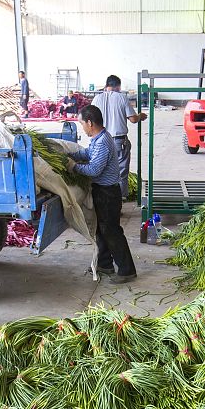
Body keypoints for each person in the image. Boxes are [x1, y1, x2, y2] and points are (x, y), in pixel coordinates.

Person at [65, 105, 136, 283]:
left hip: (108, 193)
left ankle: (127, 270)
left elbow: (95, 169)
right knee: (100, 230)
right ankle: (105, 264)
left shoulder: (103, 141)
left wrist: (74, 167)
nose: (82, 128)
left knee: (111, 231)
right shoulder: (99, 138)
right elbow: (89, 153)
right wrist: (72, 154)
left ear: (90, 123)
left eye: (82, 124)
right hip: (102, 191)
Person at [91, 75, 147, 200]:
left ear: (106, 86)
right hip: (117, 141)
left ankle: (102, 200)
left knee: (102, 171)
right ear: (118, 86)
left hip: (100, 140)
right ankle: (118, 202)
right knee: (120, 172)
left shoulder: (96, 99)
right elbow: (133, 119)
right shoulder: (122, 98)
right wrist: (140, 116)